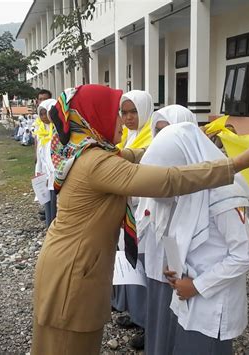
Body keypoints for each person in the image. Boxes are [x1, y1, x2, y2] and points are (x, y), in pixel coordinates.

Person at [30, 84, 249, 354]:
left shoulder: (87, 152)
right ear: (96, 116)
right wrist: (237, 163)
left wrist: (184, 139)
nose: (123, 122)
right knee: (68, 346)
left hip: (69, 262)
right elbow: (169, 180)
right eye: (115, 113)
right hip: (73, 270)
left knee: (59, 343)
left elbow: (134, 154)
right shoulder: (96, 162)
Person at [139, 122, 249, 354]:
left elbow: (243, 256)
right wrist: (174, 267)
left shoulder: (225, 193)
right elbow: (185, 235)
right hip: (188, 295)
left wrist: (197, 286)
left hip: (212, 305)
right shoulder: (188, 189)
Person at [134, 104, 198, 355]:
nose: (162, 138)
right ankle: (156, 340)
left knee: (174, 293)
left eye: (168, 130)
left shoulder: (202, 170)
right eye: (157, 131)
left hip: (178, 244)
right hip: (157, 236)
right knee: (158, 293)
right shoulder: (156, 164)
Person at [112, 90, 153, 350]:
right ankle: (136, 314)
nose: (127, 118)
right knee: (131, 261)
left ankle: (149, 323)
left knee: (148, 267)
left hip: (144, 210)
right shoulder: (128, 137)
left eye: (133, 112)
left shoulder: (154, 138)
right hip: (128, 210)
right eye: (124, 113)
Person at [36, 99, 58, 227]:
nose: (44, 117)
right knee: (48, 205)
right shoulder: (42, 133)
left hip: (56, 177)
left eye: (46, 113)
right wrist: (39, 173)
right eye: (41, 114)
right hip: (46, 177)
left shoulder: (59, 133)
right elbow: (40, 157)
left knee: (57, 207)